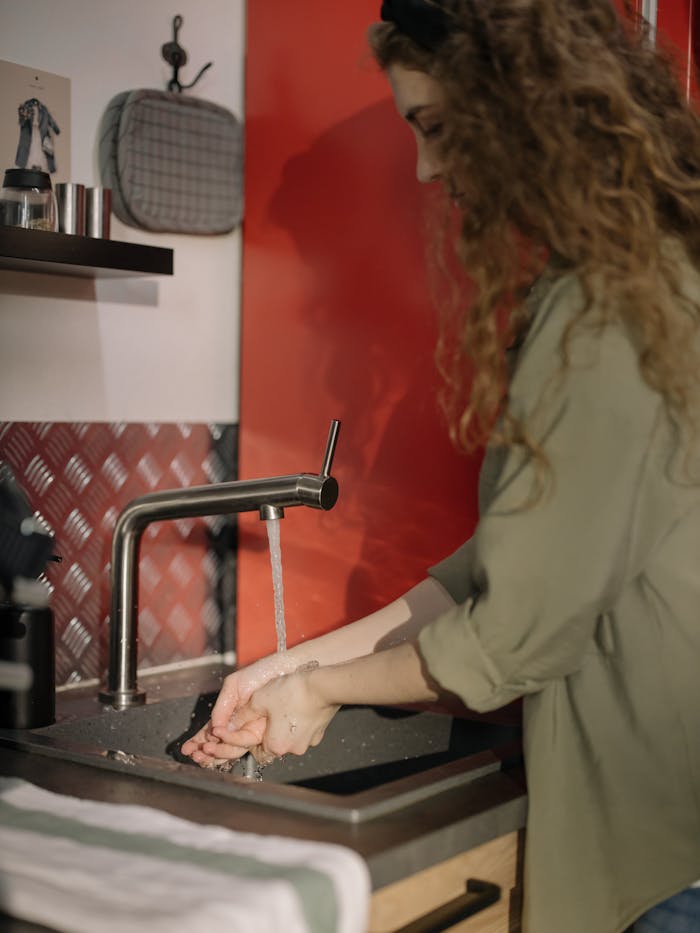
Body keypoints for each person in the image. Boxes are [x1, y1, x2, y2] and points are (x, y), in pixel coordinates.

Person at [182, 2, 700, 930]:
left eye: (434, 126)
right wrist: (292, 667)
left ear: (519, 99)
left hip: (665, 858)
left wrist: (321, 689)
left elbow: (507, 642)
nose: (426, 167)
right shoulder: (637, 274)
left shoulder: (602, 313)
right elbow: (496, 572)